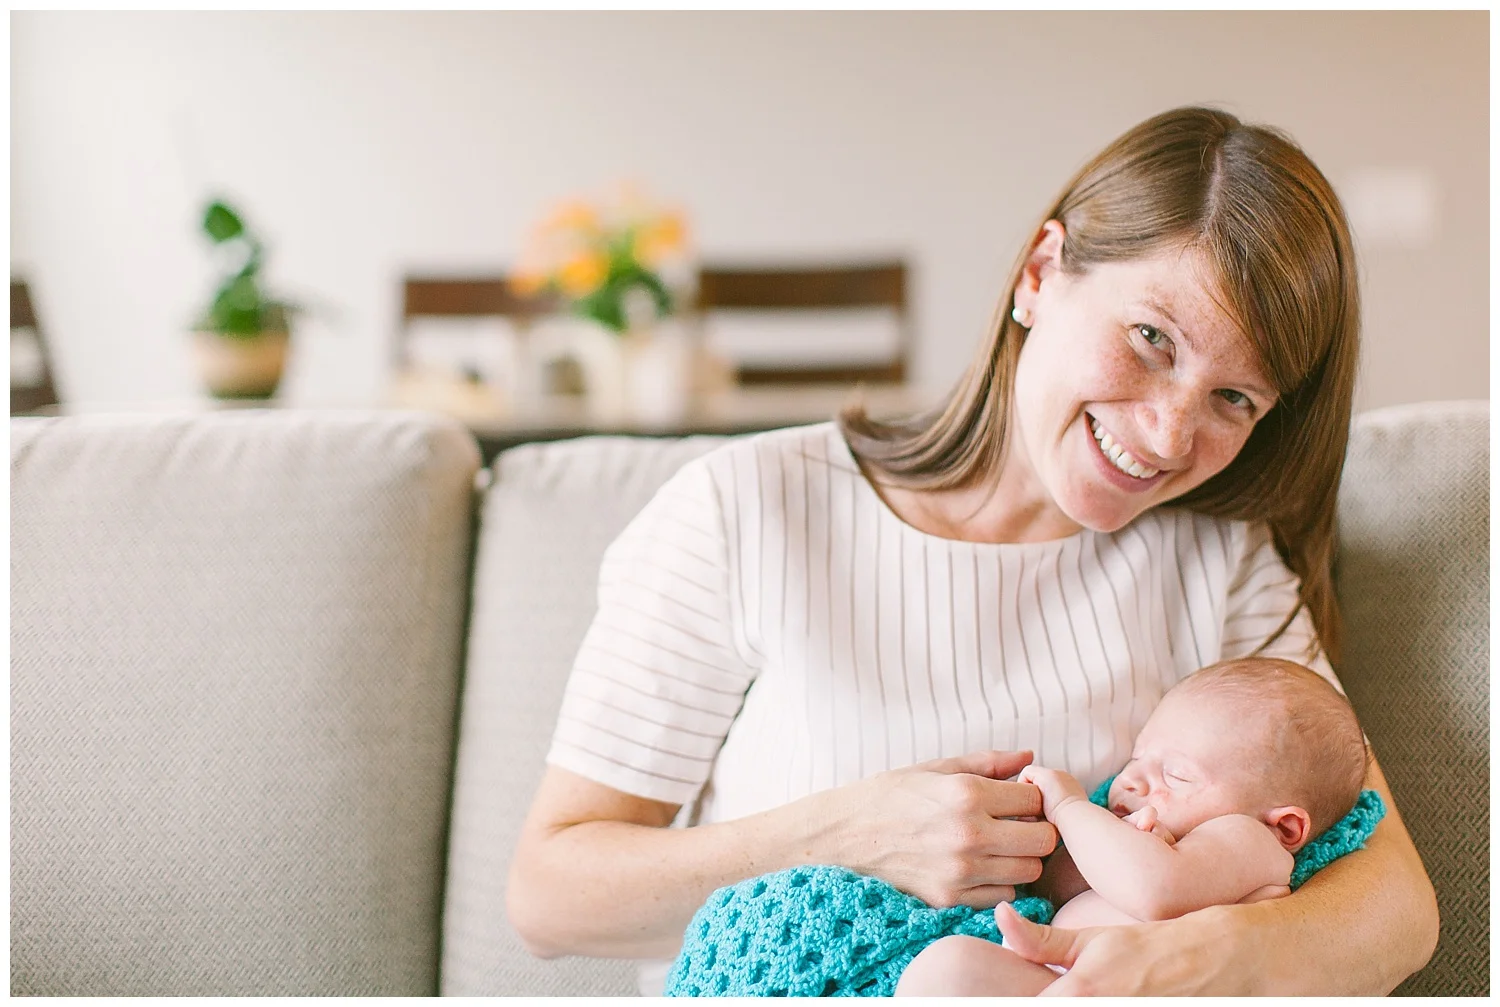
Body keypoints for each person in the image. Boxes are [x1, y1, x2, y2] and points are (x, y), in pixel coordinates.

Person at [507, 105, 1438, 995]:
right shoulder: (748, 509)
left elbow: (1394, 907)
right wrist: (843, 831)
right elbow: (547, 898)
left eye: (1235, 399)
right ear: (1041, 272)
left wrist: (1192, 960)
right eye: (1152, 338)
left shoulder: (1222, 565)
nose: (1165, 434)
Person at [894, 657, 1368, 996]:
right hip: (1064, 983)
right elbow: (1068, 886)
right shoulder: (1145, 836)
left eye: (1176, 775)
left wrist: (1069, 808)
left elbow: (1155, 889)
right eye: (1137, 757)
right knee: (949, 969)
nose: (1133, 779)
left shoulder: (1249, 841)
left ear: (1284, 826)